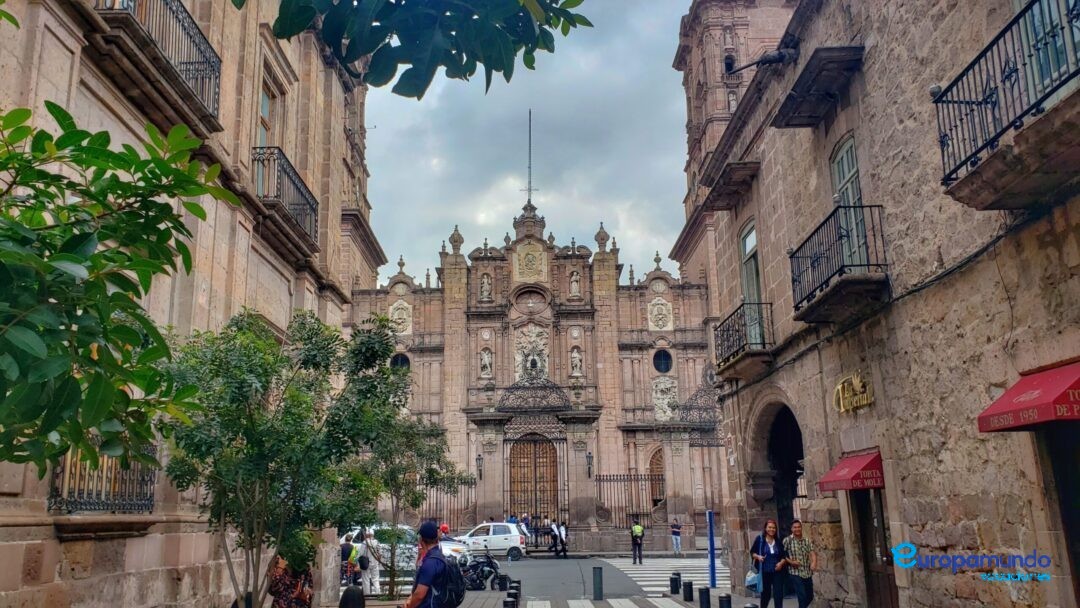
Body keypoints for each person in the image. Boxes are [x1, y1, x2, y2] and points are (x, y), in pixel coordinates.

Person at [403, 521, 447, 608]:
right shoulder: (439, 556)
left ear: (421, 539)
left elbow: (420, 595)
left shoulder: (430, 563)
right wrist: (410, 598)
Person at [750, 520, 787, 608]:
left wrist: (781, 564)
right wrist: (758, 557)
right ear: (766, 528)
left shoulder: (778, 541)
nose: (772, 529)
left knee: (778, 594)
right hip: (764, 572)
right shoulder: (760, 539)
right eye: (769, 527)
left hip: (777, 572)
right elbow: (752, 552)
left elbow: (784, 556)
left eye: (773, 528)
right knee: (765, 595)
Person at [783, 520, 817, 608]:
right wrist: (791, 562)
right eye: (795, 527)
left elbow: (812, 553)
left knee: (810, 596)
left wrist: (813, 562)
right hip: (795, 572)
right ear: (791, 529)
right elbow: (782, 555)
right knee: (802, 596)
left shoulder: (806, 541)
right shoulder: (787, 540)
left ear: (801, 528)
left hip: (807, 572)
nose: (797, 529)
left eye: (799, 527)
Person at [360, 530, 381, 595]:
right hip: (375, 563)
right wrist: (378, 561)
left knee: (366, 579)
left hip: (365, 563)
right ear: (372, 535)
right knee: (376, 579)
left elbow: (361, 553)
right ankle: (378, 593)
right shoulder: (377, 542)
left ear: (367, 535)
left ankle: (367, 594)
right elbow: (380, 553)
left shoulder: (364, 542)